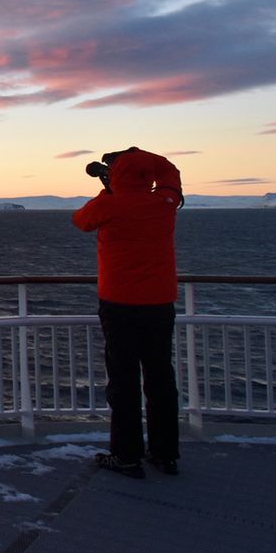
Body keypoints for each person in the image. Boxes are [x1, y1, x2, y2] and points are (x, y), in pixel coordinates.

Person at [72, 147, 183, 478]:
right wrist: (138, 156)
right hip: (160, 304)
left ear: (115, 174)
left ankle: (126, 456)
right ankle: (165, 454)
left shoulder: (108, 204)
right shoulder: (164, 204)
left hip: (119, 305)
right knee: (161, 378)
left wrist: (109, 187)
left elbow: (80, 221)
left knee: (123, 381)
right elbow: (170, 171)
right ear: (147, 174)